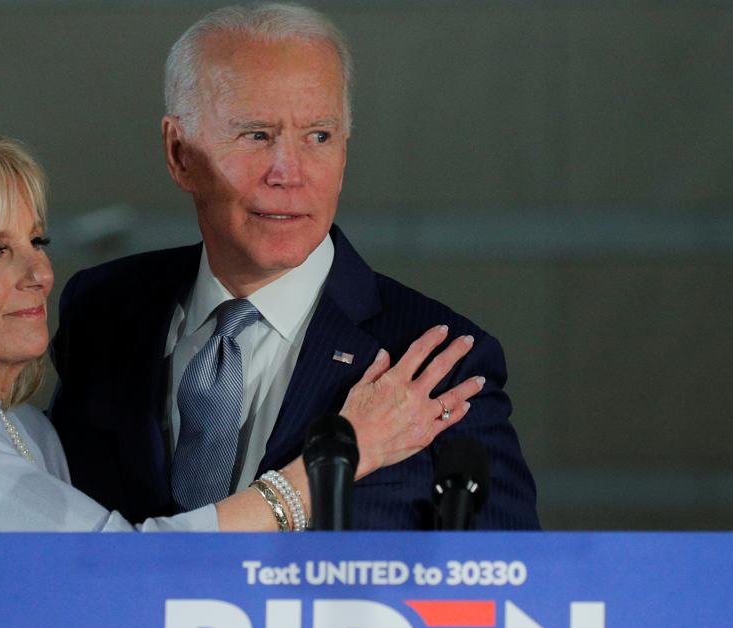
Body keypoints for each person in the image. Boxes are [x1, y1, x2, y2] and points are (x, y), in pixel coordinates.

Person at [0, 119, 485, 628]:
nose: (37, 271)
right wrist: (333, 464)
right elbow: (121, 578)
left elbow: (79, 607)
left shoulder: (30, 431)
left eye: (37, 240)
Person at [49, 3, 541, 529]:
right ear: (179, 152)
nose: (289, 173)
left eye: (319, 137)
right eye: (257, 135)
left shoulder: (438, 363)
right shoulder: (101, 313)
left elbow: (512, 591)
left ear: (345, 154)